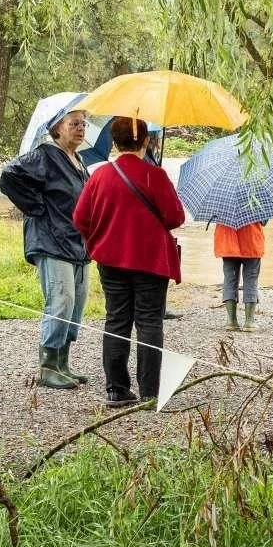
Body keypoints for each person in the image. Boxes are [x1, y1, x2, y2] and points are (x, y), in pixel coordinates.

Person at [73, 116, 186, 408]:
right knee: (149, 322)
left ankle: (116, 389)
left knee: (117, 320)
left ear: (113, 141)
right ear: (146, 141)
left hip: (111, 260)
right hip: (151, 261)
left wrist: (100, 240)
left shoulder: (99, 176)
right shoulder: (155, 175)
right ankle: (150, 392)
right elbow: (176, 218)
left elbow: (80, 219)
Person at [0, 107, 91, 390]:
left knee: (76, 305)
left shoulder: (79, 161)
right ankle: (48, 366)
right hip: (52, 241)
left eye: (83, 123)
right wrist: (36, 206)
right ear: (57, 128)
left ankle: (63, 362)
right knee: (61, 301)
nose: (81, 128)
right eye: (74, 123)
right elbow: (9, 176)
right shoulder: (45, 155)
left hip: (78, 243)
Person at [213, 220, 265, 331]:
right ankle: (249, 322)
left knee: (229, 279)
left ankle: (231, 321)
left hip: (227, 241)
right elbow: (264, 221)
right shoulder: (257, 202)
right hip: (251, 240)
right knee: (251, 279)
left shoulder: (220, 202)